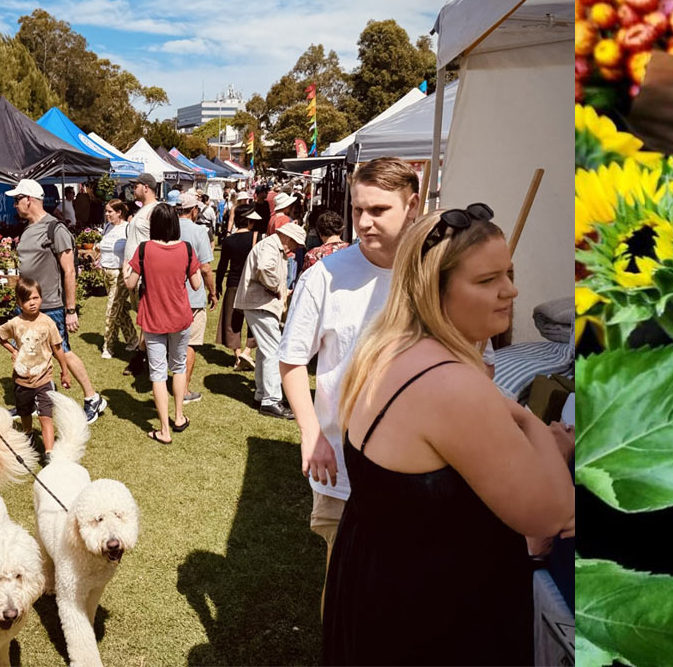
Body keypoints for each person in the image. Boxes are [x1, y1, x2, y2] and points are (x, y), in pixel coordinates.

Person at [322, 205, 574, 664]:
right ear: (434, 290)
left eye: (509, 274)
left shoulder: (384, 348)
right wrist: (540, 432)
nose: (511, 291)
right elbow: (551, 514)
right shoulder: (450, 383)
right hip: (433, 614)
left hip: (376, 581)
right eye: (487, 280)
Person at [280, 158, 422, 580]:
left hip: (420, 470)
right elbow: (290, 362)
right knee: (345, 594)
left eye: (379, 210)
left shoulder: (435, 275)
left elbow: (476, 361)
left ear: (412, 206)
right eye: (358, 210)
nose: (364, 222)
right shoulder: (323, 276)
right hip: (341, 470)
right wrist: (312, 434)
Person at [7, 179, 105, 422]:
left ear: (29, 199)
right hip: (29, 307)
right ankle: (30, 403)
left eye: (17, 200)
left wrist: (70, 310)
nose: (15, 205)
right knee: (29, 352)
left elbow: (69, 271)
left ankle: (93, 398)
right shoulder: (29, 229)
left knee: (64, 352)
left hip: (51, 305)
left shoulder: (55, 229)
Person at [125, 204, 201, 445]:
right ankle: (178, 417)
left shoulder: (144, 249)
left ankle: (164, 430)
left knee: (157, 374)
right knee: (178, 367)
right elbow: (197, 284)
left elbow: (130, 284)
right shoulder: (186, 249)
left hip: (153, 318)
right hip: (180, 317)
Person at [237, 219, 305, 420]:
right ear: (287, 237)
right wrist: (276, 288)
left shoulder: (272, 245)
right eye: (295, 243)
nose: (294, 248)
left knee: (266, 350)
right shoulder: (270, 246)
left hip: (259, 303)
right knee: (273, 350)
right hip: (260, 303)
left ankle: (262, 395)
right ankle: (271, 400)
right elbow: (265, 268)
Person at [0, 278, 67, 461]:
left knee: (46, 415)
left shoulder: (48, 322)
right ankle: (28, 436)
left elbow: (58, 347)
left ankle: (49, 452)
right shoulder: (15, 323)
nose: (32, 303)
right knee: (24, 412)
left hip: (44, 376)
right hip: (22, 378)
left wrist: (65, 370)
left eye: (35, 298)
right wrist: (13, 350)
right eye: (26, 300)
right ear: (19, 303)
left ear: (41, 298)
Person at [176, 191, 217, 404]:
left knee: (171, 342)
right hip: (192, 294)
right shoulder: (199, 231)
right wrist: (213, 292)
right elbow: (206, 267)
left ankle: (169, 382)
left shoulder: (167, 227)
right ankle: (183, 390)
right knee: (190, 343)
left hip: (168, 294)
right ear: (193, 210)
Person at [120, 173, 160, 377]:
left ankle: (142, 357)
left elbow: (157, 242)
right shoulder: (142, 210)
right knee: (141, 315)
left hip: (145, 273)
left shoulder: (155, 211)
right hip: (134, 271)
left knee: (146, 316)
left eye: (135, 185)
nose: (132, 189)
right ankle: (145, 354)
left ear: (146, 187)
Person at [217, 204, 262, 371]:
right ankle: (248, 351)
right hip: (252, 284)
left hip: (233, 284)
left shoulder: (228, 241)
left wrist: (217, 285)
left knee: (231, 322)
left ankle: (237, 355)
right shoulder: (257, 238)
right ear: (250, 221)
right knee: (254, 319)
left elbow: (222, 265)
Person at [98, 199, 135, 360]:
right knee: (119, 310)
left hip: (120, 274)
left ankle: (108, 346)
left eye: (110, 212)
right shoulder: (107, 227)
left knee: (111, 311)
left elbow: (132, 251)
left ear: (119, 213)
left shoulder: (127, 229)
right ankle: (133, 339)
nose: (107, 214)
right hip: (106, 273)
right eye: (106, 211)